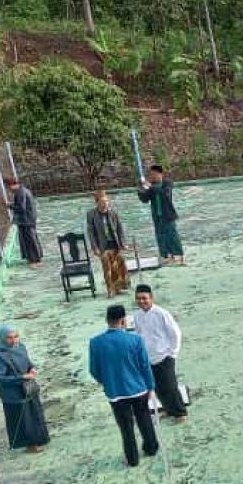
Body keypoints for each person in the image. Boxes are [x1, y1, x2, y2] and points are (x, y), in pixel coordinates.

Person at [89, 304, 159, 467]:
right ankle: (151, 448)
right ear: (124, 321)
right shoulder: (135, 340)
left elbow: (93, 369)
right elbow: (145, 366)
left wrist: (105, 381)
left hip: (115, 392)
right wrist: (150, 386)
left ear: (107, 320)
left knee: (126, 427)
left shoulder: (95, 342)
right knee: (144, 419)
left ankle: (132, 459)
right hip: (138, 389)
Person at [132, 284, 188, 423]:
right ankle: (169, 410)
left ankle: (180, 413)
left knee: (170, 386)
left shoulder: (162, 313)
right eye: (138, 299)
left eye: (144, 298)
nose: (141, 301)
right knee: (157, 387)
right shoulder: (137, 316)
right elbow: (139, 334)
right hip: (148, 357)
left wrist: (172, 352)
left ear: (151, 298)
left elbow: (175, 333)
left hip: (164, 356)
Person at [0, 324, 49, 453]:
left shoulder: (21, 348)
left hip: (28, 389)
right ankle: (30, 444)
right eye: (9, 338)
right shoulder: (0, 357)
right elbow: (0, 378)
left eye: (16, 336)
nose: (14, 340)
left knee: (35, 414)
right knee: (23, 420)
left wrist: (32, 368)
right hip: (13, 395)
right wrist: (22, 377)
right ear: (3, 339)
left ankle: (40, 439)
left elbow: (27, 362)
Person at [85, 190, 129, 297]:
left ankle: (119, 287)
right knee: (107, 267)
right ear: (97, 202)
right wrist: (94, 248)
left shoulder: (113, 212)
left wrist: (123, 243)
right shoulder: (91, 214)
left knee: (119, 264)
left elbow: (119, 228)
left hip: (114, 242)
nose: (105, 204)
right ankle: (110, 289)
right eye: (102, 202)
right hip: (102, 245)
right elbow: (90, 232)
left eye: (106, 201)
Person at [137, 165, 184, 265]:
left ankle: (178, 256)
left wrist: (150, 186)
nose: (152, 176)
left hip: (168, 215)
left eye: (154, 174)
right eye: (151, 175)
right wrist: (141, 188)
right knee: (160, 237)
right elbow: (145, 199)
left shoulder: (167, 183)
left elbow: (165, 194)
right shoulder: (152, 186)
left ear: (160, 174)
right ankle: (165, 256)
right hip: (157, 217)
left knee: (172, 235)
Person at [5, 177, 42, 266]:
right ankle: (35, 258)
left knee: (31, 239)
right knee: (31, 238)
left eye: (8, 187)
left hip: (27, 220)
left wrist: (10, 206)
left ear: (12, 185)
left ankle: (36, 260)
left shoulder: (20, 192)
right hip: (29, 218)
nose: (9, 190)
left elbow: (21, 208)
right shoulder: (24, 190)